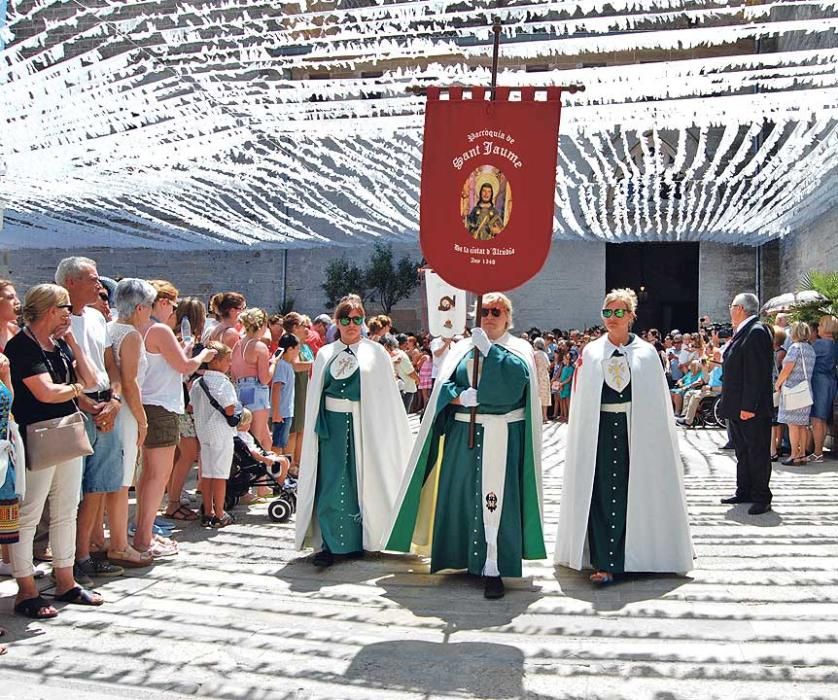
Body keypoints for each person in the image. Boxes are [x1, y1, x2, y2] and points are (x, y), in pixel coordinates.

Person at [385, 293, 546, 600]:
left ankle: (493, 565)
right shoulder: (462, 348)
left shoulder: (519, 349)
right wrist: (459, 397)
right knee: (460, 494)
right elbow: (443, 384)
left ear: (508, 317)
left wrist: (491, 353)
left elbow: (516, 384)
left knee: (494, 500)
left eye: (497, 311)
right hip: (463, 436)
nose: (490, 315)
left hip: (500, 433)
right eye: (484, 310)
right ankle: (460, 557)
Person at [555, 288, 693, 585]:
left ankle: (642, 555)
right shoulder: (591, 352)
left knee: (638, 492)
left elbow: (656, 401)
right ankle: (605, 560)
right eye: (607, 312)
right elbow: (582, 398)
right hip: (600, 432)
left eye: (619, 312)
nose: (612, 318)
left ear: (631, 315)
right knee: (602, 492)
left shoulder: (646, 354)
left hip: (637, 432)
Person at [295, 298, 412, 568]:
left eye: (357, 319)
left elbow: (385, 396)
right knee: (333, 482)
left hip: (366, 425)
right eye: (345, 319)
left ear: (363, 322)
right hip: (333, 427)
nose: (351, 324)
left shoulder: (376, 353)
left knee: (365, 480)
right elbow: (316, 395)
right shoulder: (325, 353)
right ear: (337, 322)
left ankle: (366, 539)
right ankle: (331, 544)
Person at [6, 284, 100, 618]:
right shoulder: (21, 347)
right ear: (51, 309)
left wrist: (73, 342)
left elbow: (91, 379)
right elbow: (45, 393)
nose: (69, 312)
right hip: (36, 435)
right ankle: (26, 590)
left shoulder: (58, 343)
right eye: (66, 307)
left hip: (64, 433)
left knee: (66, 508)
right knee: (30, 512)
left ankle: (66, 580)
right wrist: (74, 389)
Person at [56, 256, 126, 580]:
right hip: (76, 407)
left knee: (98, 486)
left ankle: (84, 554)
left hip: (103, 404)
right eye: (92, 279)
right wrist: (85, 402)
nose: (99, 285)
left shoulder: (98, 318)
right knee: (71, 490)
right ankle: (66, 559)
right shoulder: (57, 320)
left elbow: (111, 364)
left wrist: (114, 399)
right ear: (71, 282)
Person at [136, 281, 217, 557]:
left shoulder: (142, 328)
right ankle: (144, 538)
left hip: (149, 403)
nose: (174, 309)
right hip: (161, 405)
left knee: (149, 476)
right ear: (161, 302)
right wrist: (203, 354)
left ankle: (143, 532)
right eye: (172, 303)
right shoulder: (157, 329)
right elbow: (184, 367)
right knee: (157, 476)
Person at [104, 279, 156, 567]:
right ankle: (120, 544)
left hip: (113, 407)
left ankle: (105, 540)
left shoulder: (109, 328)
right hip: (125, 410)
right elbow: (130, 382)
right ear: (139, 308)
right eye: (149, 308)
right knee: (123, 480)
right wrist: (142, 419)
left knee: (111, 478)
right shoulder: (132, 335)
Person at [718, 293, 774, 515]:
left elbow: (757, 374)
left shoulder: (757, 332)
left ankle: (761, 496)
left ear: (740, 308)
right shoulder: (744, 332)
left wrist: (749, 406)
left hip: (751, 409)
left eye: (731, 306)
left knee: (757, 452)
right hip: (737, 406)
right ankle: (745, 490)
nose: (729, 310)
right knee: (743, 452)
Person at [189, 341, 239, 528]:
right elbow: (229, 409)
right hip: (221, 432)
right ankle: (219, 513)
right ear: (216, 361)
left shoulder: (197, 383)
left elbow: (191, 407)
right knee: (220, 475)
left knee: (207, 473)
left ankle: (208, 510)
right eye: (227, 360)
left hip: (203, 432)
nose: (230, 364)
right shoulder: (223, 383)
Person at [231, 308, 275, 451]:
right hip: (257, 391)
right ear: (262, 325)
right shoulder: (260, 347)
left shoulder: (237, 345)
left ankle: (268, 470)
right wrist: (274, 363)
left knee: (265, 438)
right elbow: (264, 379)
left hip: (240, 390)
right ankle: (258, 472)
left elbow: (233, 373)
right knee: (257, 439)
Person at [775, 321, 816, 466]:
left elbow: (787, 369)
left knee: (793, 425)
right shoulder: (810, 349)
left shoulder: (794, 348)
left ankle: (794, 455)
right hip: (806, 390)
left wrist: (778, 383)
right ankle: (802, 454)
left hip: (793, 390)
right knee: (802, 425)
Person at [809, 315, 837, 463]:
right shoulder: (834, 344)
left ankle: (818, 452)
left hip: (818, 381)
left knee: (817, 418)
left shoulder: (819, 345)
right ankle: (818, 450)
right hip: (830, 381)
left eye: (820, 325)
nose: (818, 327)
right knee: (823, 417)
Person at [271, 333, 299, 454]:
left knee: (281, 443)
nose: (298, 351)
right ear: (290, 349)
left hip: (286, 411)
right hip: (282, 412)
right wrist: (276, 412)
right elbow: (276, 388)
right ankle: (274, 470)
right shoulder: (282, 366)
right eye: (297, 348)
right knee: (277, 444)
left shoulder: (287, 365)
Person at [532, 337, 551, 423]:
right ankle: (545, 416)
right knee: (545, 397)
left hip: (537, 376)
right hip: (545, 376)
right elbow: (548, 366)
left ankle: (539, 416)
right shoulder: (544, 354)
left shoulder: (534, 354)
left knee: (538, 396)